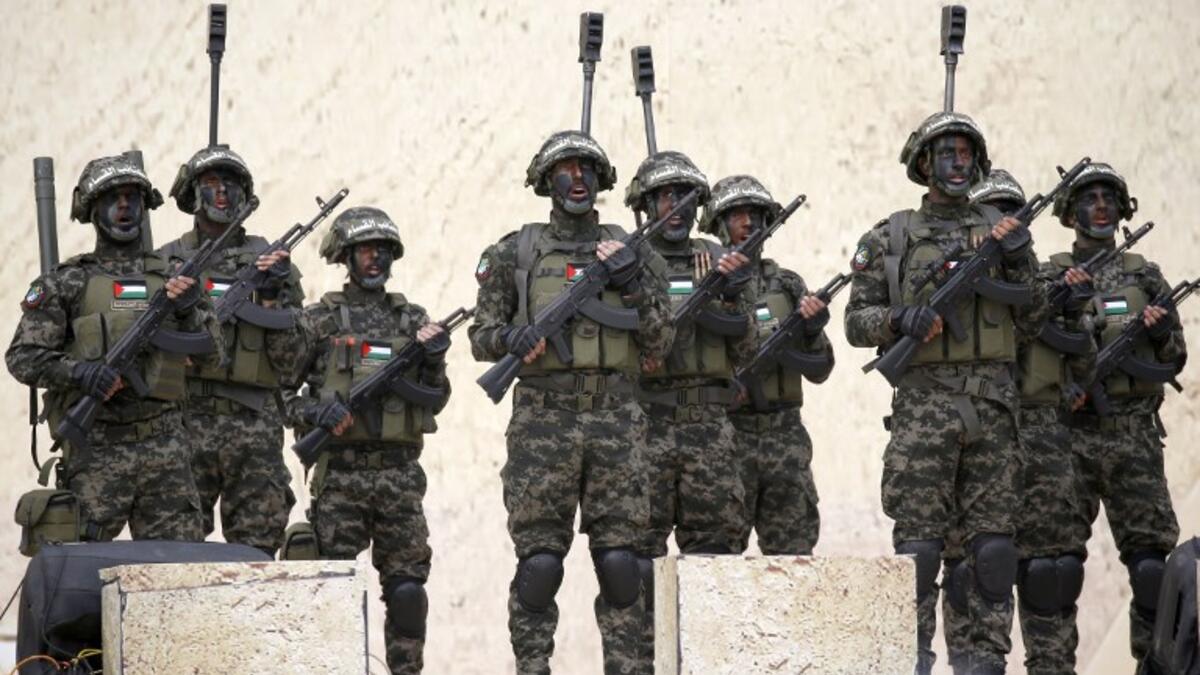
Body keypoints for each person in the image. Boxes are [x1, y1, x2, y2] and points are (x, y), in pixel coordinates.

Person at [844, 112, 1048, 674]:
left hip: (994, 408)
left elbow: (1032, 318)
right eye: (946, 153)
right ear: (924, 163)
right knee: (920, 550)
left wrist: (1013, 253)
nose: (958, 163)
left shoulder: (1004, 231)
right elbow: (854, 322)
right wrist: (898, 319)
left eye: (966, 153)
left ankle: (983, 660)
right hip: (923, 410)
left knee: (991, 553)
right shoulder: (892, 236)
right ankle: (913, 659)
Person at [469, 131, 673, 675]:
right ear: (546, 181)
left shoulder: (634, 250)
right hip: (544, 418)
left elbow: (659, 346)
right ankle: (533, 668)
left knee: (623, 565)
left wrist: (633, 283)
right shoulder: (517, 251)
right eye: (565, 170)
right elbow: (480, 335)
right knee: (539, 565)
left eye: (586, 169)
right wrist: (510, 339)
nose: (577, 180)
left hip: (618, 419)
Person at [6, 154, 223, 542]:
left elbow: (213, 356)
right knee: (79, 576)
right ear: (92, 210)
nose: (125, 207)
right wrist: (81, 372)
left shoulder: (173, 277)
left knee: (177, 577)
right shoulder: (67, 282)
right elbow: (23, 357)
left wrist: (189, 309)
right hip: (97, 451)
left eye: (132, 197)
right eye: (113, 198)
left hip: (166, 450)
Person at [282, 207, 449, 674]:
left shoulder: (412, 320)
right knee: (332, 589)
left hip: (400, 476)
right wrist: (316, 411)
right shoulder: (319, 321)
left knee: (408, 591)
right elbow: (277, 396)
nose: (375, 258)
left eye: (382, 250)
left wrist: (433, 361)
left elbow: (435, 400)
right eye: (364, 249)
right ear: (345, 256)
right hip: (341, 476)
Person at [160, 145, 300, 556]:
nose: (223, 193)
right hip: (183, 424)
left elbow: (293, 362)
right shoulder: (167, 261)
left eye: (232, 184)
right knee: (176, 555)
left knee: (256, 556)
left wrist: (272, 296)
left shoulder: (272, 263)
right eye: (211, 184)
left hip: (254, 424)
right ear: (191, 193)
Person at [698, 174, 831, 556]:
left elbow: (821, 368)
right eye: (737, 214)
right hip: (726, 434)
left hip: (784, 434)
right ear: (719, 224)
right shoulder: (704, 282)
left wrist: (811, 331)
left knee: (793, 555)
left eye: (755, 214)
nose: (748, 223)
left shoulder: (787, 284)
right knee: (717, 558)